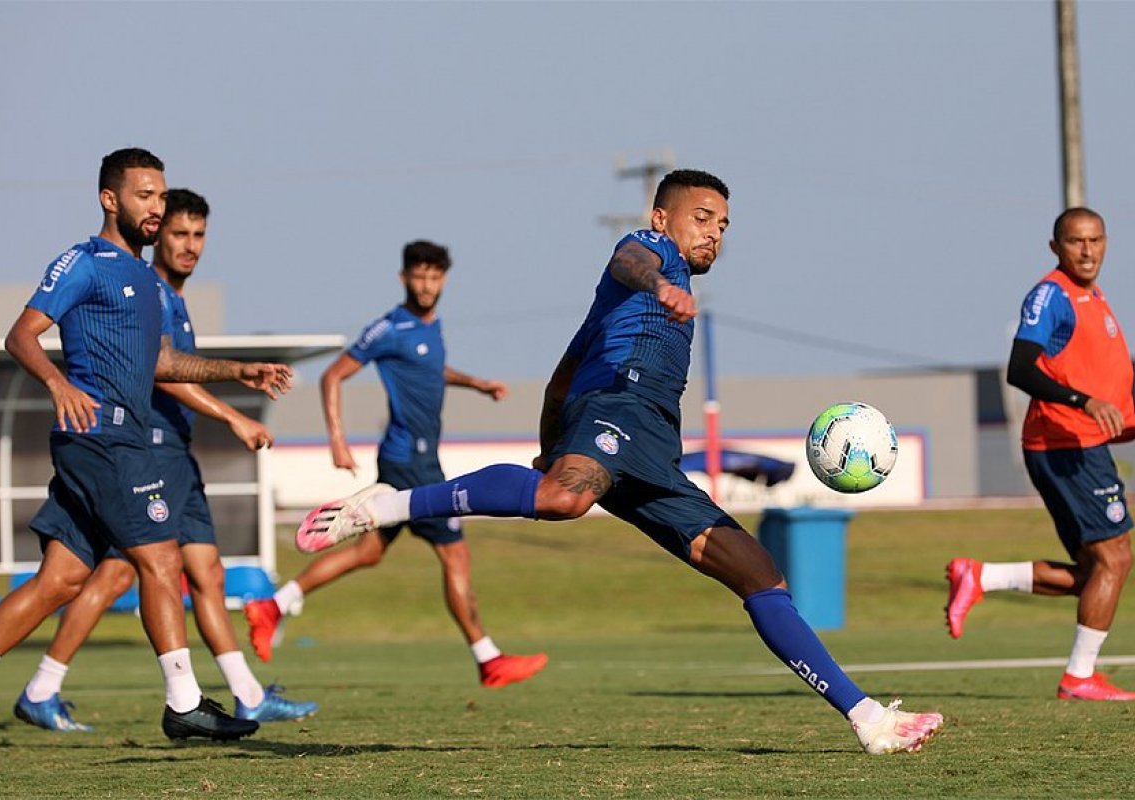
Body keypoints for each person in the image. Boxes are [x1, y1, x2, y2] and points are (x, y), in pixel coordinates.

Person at [294, 170, 943, 754]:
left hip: (655, 451)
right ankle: (381, 505)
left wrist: (551, 439)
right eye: (701, 217)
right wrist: (659, 281)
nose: (714, 233)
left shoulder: (629, 306)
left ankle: (867, 718)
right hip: (619, 408)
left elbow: (560, 377)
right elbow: (631, 259)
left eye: (723, 225)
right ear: (661, 216)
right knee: (563, 498)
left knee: (762, 578)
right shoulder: (647, 255)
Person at [0, 149, 293, 756]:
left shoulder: (146, 281)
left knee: (62, 579)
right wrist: (57, 383)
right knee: (162, 560)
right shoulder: (86, 262)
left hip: (118, 438)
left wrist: (239, 371)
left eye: (160, 197)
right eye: (144, 196)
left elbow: (160, 363)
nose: (155, 208)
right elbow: (20, 335)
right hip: (101, 438)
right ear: (110, 199)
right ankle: (184, 704)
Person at [11, 188, 317, 734]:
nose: (189, 245)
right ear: (152, 232)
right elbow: (161, 372)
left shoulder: (169, 299)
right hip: (141, 448)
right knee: (118, 573)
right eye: (178, 232)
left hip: (174, 451)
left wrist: (237, 377)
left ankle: (241, 693)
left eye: (199, 235)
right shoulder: (141, 289)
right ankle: (51, 685)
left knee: (201, 572)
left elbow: (172, 364)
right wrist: (233, 415)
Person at [245, 240, 548, 688]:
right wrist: (337, 440)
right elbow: (334, 375)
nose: (426, 285)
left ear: (443, 279)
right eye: (419, 276)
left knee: (367, 551)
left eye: (434, 277)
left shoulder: (431, 327)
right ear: (403, 278)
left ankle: (274, 604)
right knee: (455, 554)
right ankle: (489, 658)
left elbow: (432, 369)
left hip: (413, 459)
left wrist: (477, 383)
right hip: (413, 463)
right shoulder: (388, 328)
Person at [946, 207, 1135, 701]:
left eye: (1095, 240)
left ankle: (981, 575)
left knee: (1097, 572)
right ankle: (1078, 677)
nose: (1088, 250)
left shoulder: (1093, 298)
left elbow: (1101, 375)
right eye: (1076, 241)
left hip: (1084, 442)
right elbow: (1021, 369)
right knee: (1115, 558)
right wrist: (1084, 402)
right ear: (1056, 247)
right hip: (1065, 442)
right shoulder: (1052, 295)